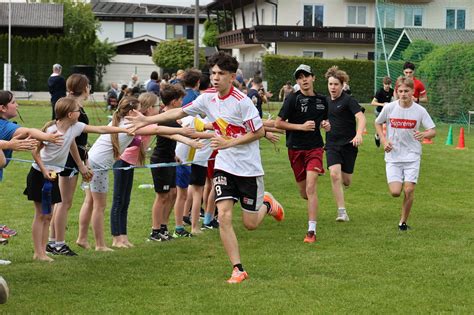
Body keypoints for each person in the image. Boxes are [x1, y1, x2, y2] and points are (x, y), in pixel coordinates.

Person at [125, 51, 285, 283]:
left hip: (248, 169)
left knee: (250, 224)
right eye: (213, 73)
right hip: (223, 165)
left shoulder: (242, 102)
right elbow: (179, 111)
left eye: (221, 74)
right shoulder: (207, 98)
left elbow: (258, 131)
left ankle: (267, 203)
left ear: (232, 76)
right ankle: (237, 269)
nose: (215, 78)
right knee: (225, 215)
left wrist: (229, 142)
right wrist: (146, 120)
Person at [76, 96, 196, 251]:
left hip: (93, 162)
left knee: (91, 202)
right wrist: (182, 130)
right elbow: (157, 129)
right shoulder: (129, 125)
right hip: (97, 166)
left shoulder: (121, 121)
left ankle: (84, 238)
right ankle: (100, 244)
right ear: (132, 112)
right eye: (139, 111)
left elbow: (157, 129)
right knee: (99, 206)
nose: (142, 114)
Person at [24, 97, 129, 261]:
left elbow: (100, 129)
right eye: (78, 110)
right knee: (41, 215)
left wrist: (123, 130)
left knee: (48, 215)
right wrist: (44, 170)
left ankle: (42, 252)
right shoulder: (51, 130)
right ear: (70, 114)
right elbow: (35, 152)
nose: (80, 112)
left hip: (53, 176)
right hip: (39, 175)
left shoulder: (75, 127)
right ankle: (39, 253)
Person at [275, 64, 330, 243]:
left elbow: (326, 121)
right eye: (300, 77)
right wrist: (300, 127)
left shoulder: (322, 100)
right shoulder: (293, 99)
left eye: (306, 76)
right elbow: (278, 123)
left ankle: (311, 231)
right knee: (304, 193)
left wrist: (326, 125)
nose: (304, 80)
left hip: (315, 148)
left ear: (313, 78)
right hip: (295, 149)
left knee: (311, 187)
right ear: (297, 81)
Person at [375, 77, 435, 231]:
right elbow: (377, 122)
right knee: (395, 192)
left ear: (412, 92)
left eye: (406, 91)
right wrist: (383, 140)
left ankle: (403, 222)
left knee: (408, 190)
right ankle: (401, 183)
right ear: (396, 92)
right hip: (393, 156)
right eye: (400, 91)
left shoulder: (420, 110)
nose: (403, 94)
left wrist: (424, 135)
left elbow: (432, 130)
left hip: (412, 155)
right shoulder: (389, 108)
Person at [147, 84, 204, 241]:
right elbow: (174, 136)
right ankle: (155, 230)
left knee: (172, 194)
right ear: (173, 102)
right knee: (162, 197)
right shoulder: (165, 120)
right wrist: (191, 141)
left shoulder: (172, 118)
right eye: (180, 100)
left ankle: (164, 228)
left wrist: (174, 155)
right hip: (160, 161)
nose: (182, 103)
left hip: (170, 159)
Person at [47, 74, 93, 257]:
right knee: (64, 202)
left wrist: (85, 159)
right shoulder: (74, 108)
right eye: (88, 85)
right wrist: (81, 165)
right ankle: (58, 243)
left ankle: (53, 241)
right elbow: (71, 139)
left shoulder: (75, 107)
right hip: (68, 159)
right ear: (85, 87)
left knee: (64, 202)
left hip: (73, 158)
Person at [325, 66, 366, 222]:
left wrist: (358, 134)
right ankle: (342, 212)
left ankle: (345, 181)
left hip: (349, 145)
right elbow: (321, 119)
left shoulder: (349, 100)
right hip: (331, 145)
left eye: (336, 84)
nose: (333, 87)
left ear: (342, 85)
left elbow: (361, 118)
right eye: (330, 84)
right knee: (334, 174)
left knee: (346, 180)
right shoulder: (325, 101)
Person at [0, 90, 62, 182]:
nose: (17, 105)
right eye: (13, 102)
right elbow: (29, 132)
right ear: (3, 108)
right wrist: (48, 137)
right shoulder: (5, 127)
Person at [371, 76, 394, 147]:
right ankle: (377, 136)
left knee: (389, 126)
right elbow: (373, 103)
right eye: (386, 84)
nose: (387, 86)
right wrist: (382, 104)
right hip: (379, 111)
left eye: (388, 84)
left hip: (388, 112)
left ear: (390, 84)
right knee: (380, 128)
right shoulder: (379, 91)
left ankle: (388, 142)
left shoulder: (392, 91)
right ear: (383, 84)